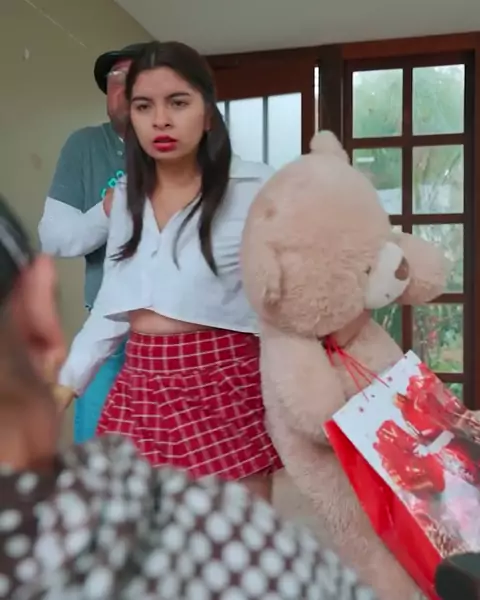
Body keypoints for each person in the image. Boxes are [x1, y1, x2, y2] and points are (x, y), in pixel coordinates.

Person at [0, 193, 379, 599]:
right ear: (41, 306)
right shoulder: (255, 551)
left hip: (225, 380)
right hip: (148, 381)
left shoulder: (250, 195)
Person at [54, 40, 283, 502]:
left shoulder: (256, 187)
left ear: (207, 112)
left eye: (177, 102)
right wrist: (64, 384)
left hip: (224, 382)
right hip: (139, 382)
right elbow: (112, 304)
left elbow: (305, 281)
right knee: (135, 533)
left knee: (233, 537)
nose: (160, 120)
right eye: (144, 106)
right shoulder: (126, 199)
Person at [38, 42, 148, 444]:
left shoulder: (183, 152)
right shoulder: (84, 146)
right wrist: (108, 210)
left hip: (176, 334)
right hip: (105, 331)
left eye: (135, 76)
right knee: (97, 449)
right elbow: (53, 238)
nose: (124, 86)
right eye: (115, 78)